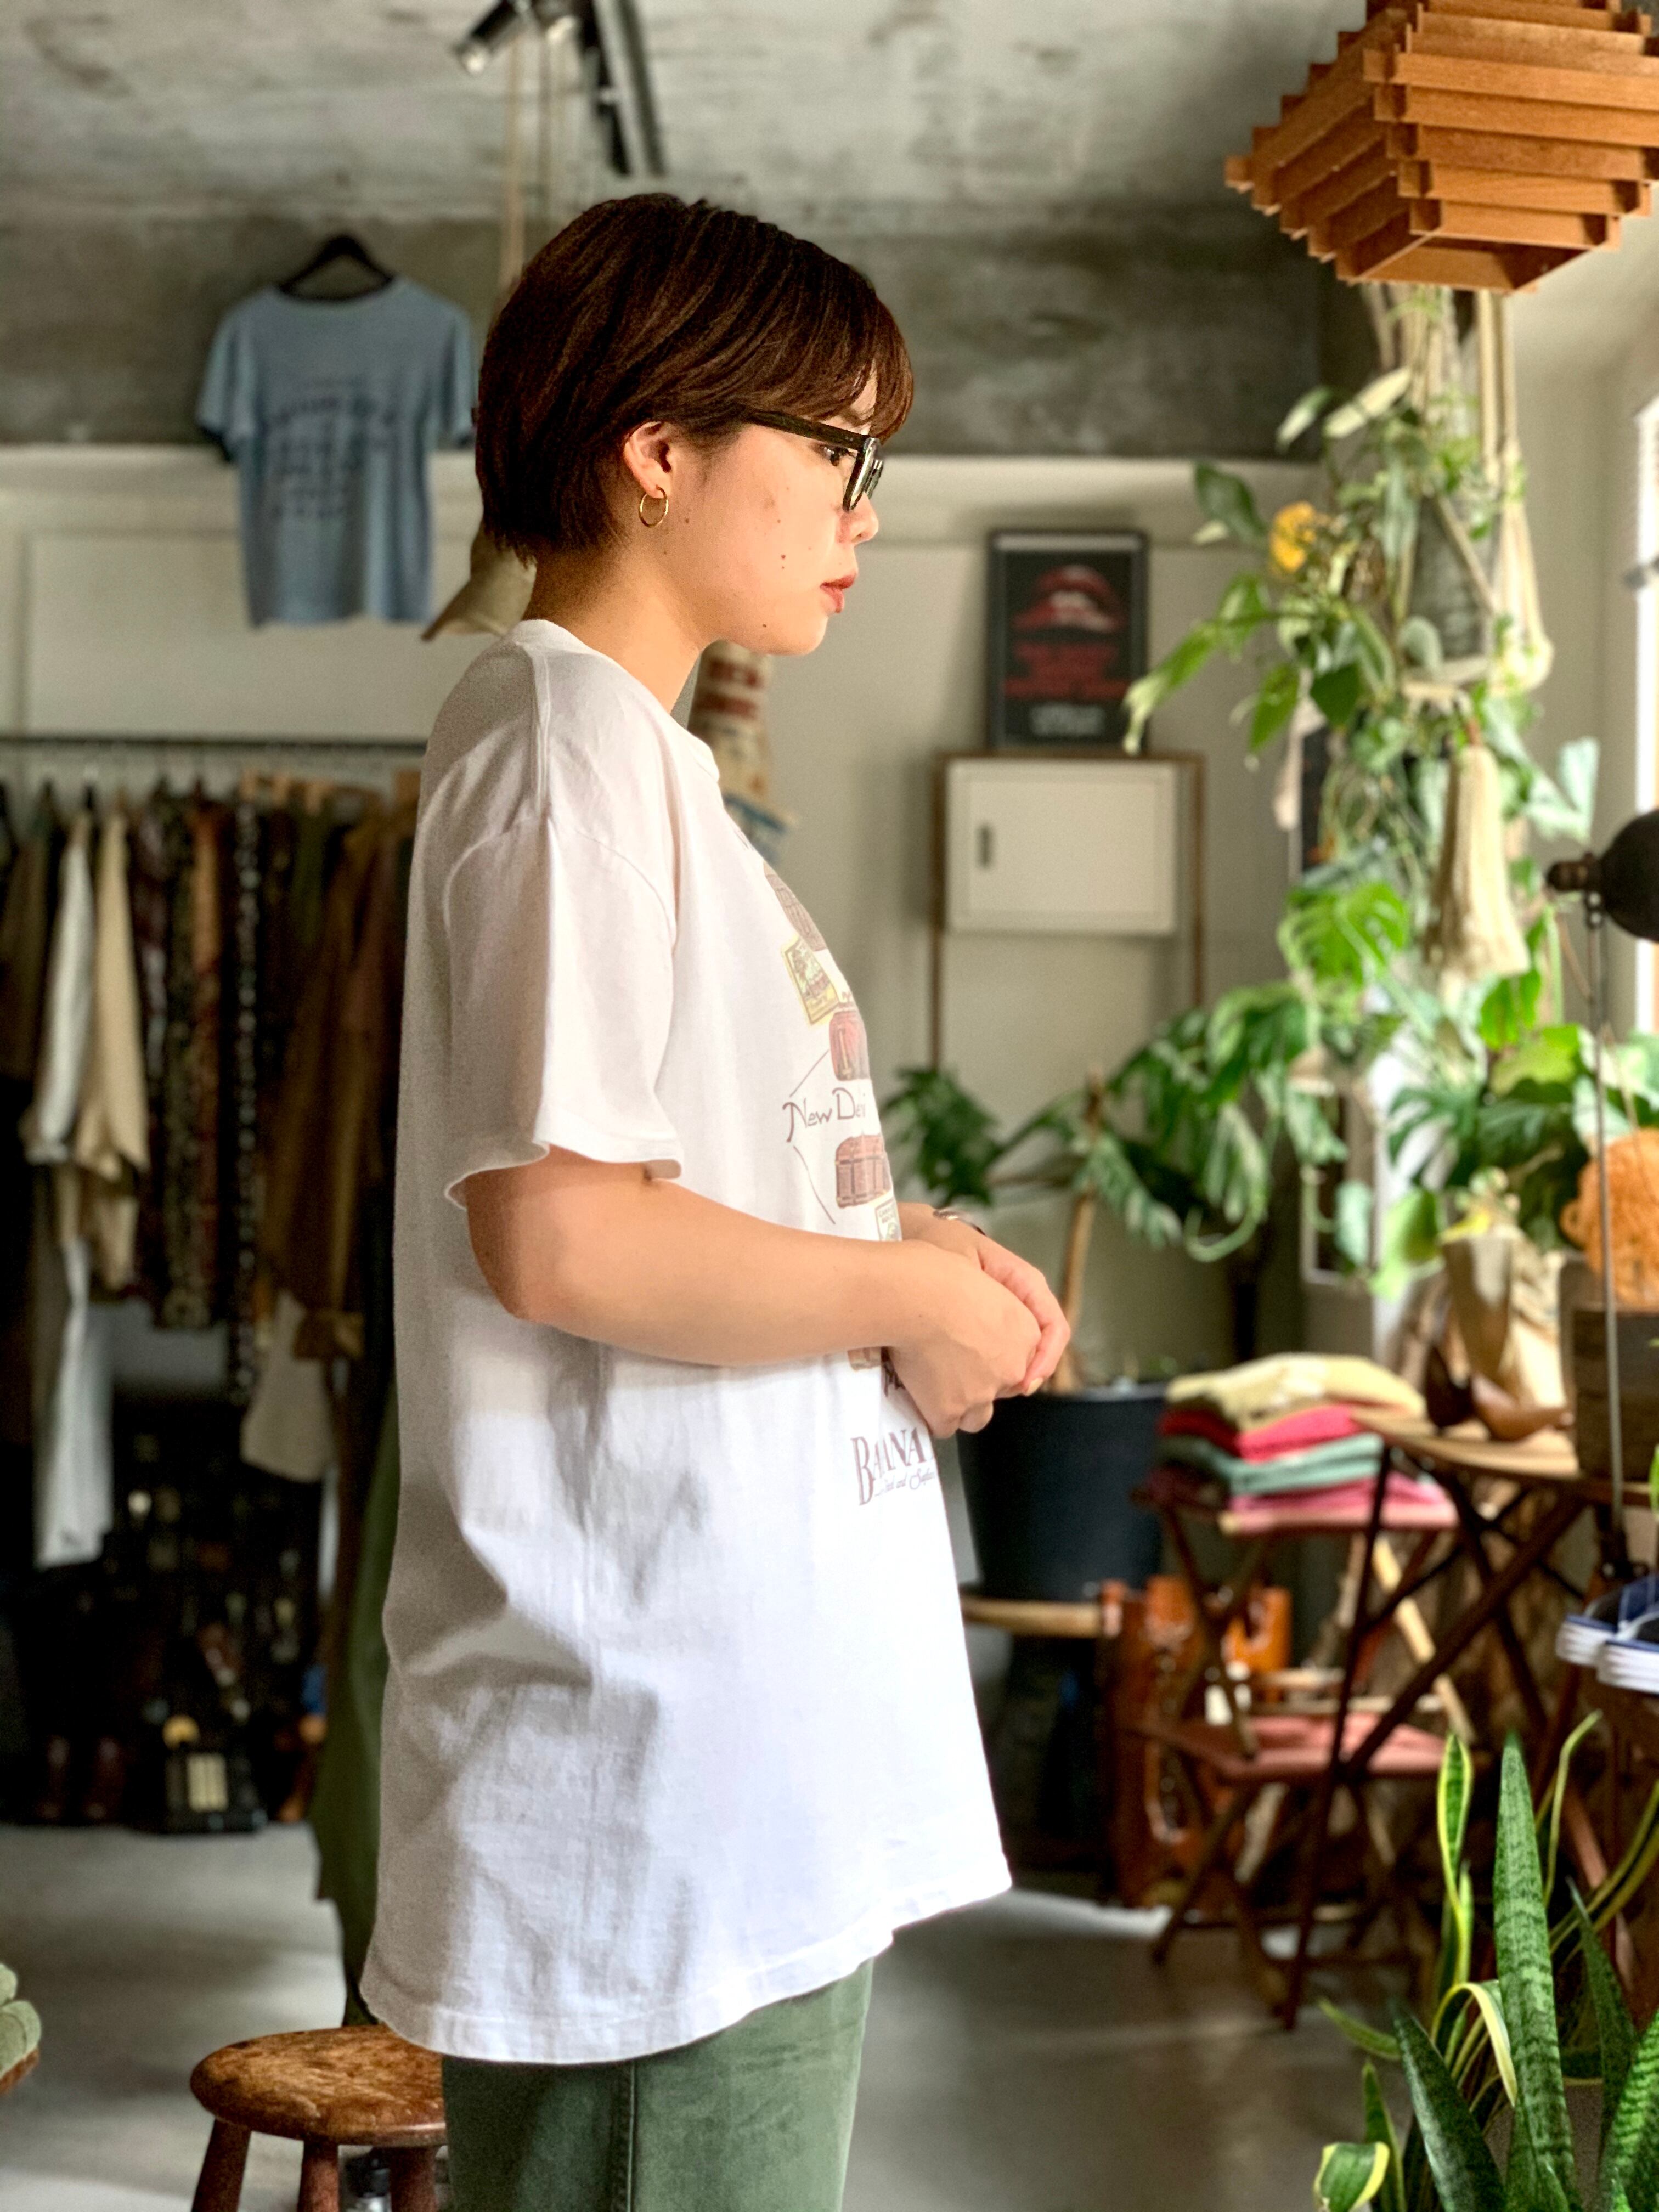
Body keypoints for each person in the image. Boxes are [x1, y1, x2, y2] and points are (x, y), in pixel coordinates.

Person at [362, 193, 1068, 2212]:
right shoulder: (561, 747)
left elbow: (673, 1194)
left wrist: (909, 1264)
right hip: (657, 1794)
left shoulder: (629, 761)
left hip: (729, 1773)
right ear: (659, 448)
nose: (866, 509)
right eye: (837, 450)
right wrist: (900, 1301)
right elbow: (565, 1235)